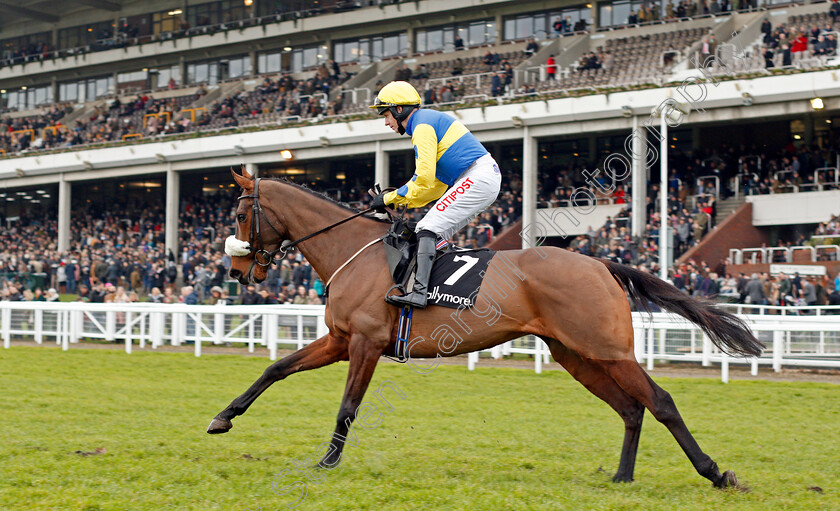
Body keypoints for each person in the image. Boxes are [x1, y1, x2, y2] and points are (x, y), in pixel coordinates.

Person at [368, 81, 501, 308]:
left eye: (386, 114)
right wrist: (400, 202)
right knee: (434, 234)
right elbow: (434, 189)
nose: (386, 122)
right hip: (481, 177)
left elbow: (423, 179)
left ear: (400, 110)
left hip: (478, 176)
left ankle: (420, 294)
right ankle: (445, 290)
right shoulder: (426, 122)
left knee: (425, 228)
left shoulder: (422, 127)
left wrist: (389, 199)